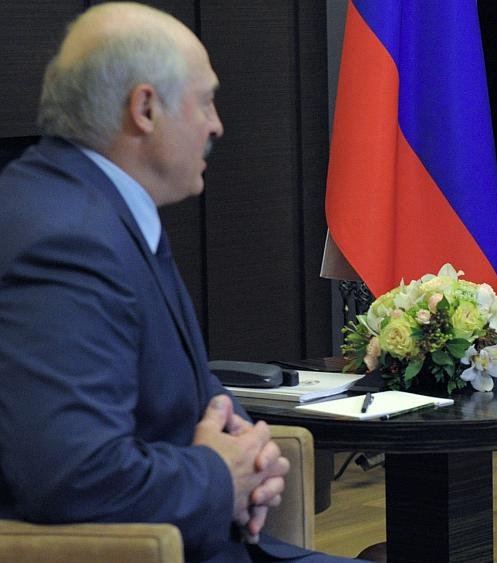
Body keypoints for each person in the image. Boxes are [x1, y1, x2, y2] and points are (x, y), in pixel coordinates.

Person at [0, 3, 358, 561]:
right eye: (205, 100)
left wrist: (249, 451)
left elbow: (184, 388)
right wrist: (220, 475)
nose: (216, 125)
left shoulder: (97, 207)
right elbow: (73, 475)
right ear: (145, 108)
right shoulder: (64, 239)